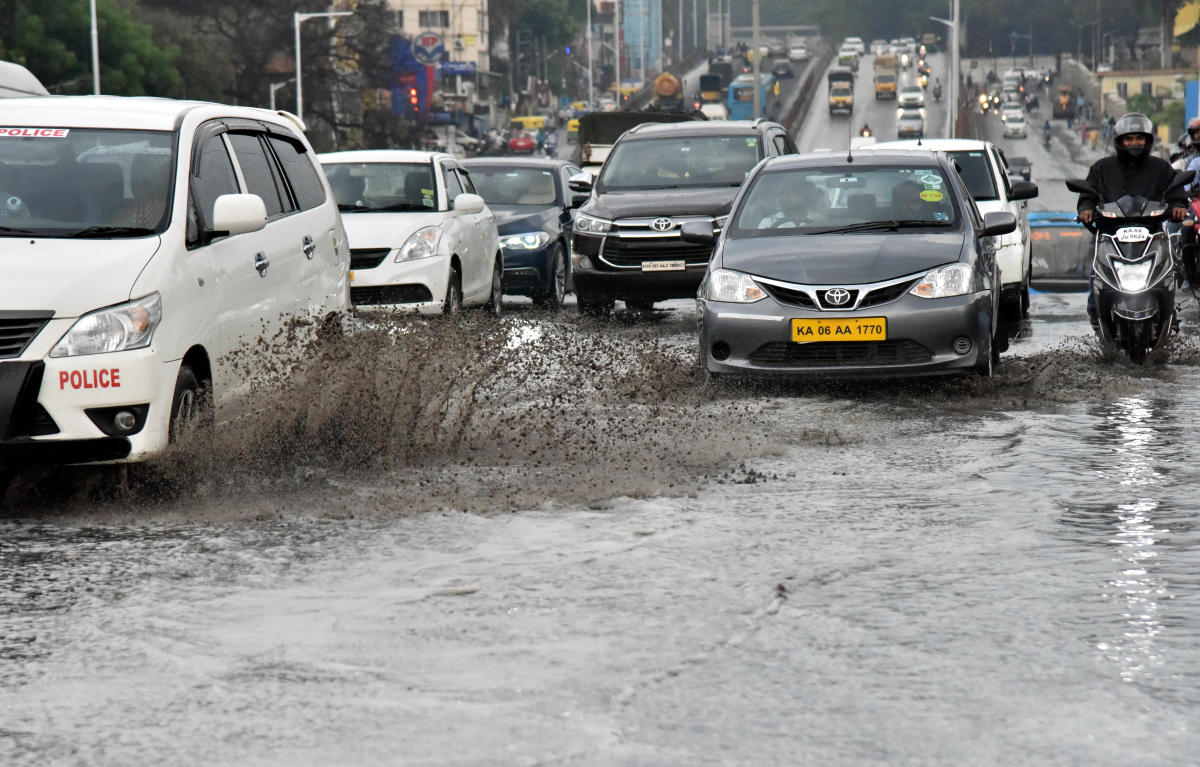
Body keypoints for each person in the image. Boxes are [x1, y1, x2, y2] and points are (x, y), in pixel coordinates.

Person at [1076, 112, 1188, 321]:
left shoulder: (1161, 168)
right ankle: (1096, 313)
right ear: (1120, 141)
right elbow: (1088, 194)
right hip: (1112, 235)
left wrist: (1178, 206)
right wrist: (1086, 209)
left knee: (1168, 272)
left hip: (1152, 234)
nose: (1134, 143)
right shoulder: (1102, 168)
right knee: (1097, 273)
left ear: (1147, 140)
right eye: (1129, 139)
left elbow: (1175, 192)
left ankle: (1169, 312)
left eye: (1139, 138)